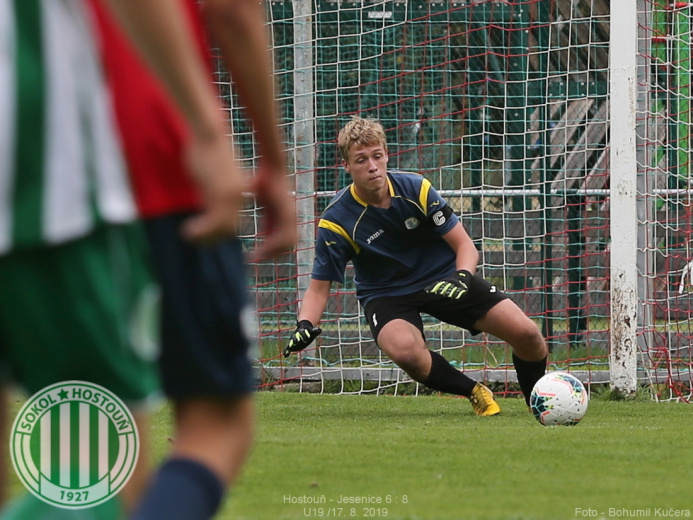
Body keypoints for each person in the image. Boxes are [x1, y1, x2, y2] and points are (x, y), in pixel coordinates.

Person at [0, 0, 292, 519]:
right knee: (122, 448)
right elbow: (231, 8)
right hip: (121, 170)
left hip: (51, 166)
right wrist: (234, 141)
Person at [89, 1, 296, 520]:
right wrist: (266, 157)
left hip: (37, 187)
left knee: (93, 434)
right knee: (217, 422)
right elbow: (230, 9)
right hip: (158, 164)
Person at [284, 117, 548, 415]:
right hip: (386, 294)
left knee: (527, 335)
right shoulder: (336, 220)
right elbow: (319, 288)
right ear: (347, 166)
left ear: (386, 155)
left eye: (377, 156)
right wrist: (305, 324)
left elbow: (465, 246)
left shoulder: (416, 189)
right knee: (405, 352)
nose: (372, 166)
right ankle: (474, 392)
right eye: (361, 160)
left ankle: (538, 406)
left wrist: (462, 276)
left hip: (446, 279)